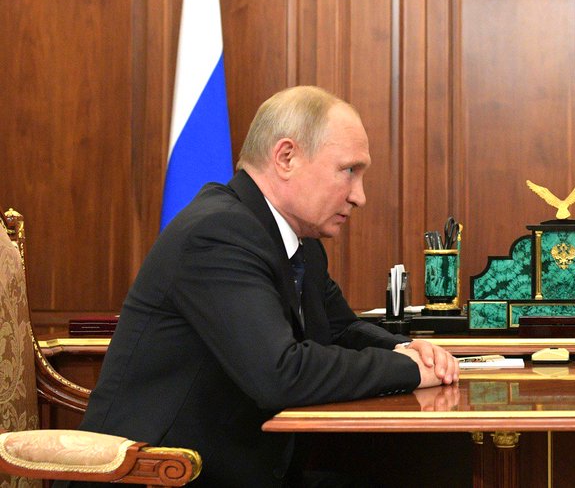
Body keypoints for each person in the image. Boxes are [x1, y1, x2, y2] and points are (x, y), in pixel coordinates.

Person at [72, 86, 459, 486]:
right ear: (286, 157)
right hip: (161, 475)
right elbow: (280, 373)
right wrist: (408, 370)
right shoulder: (218, 233)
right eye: (348, 171)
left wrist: (404, 349)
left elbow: (340, 329)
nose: (359, 196)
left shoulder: (300, 242)